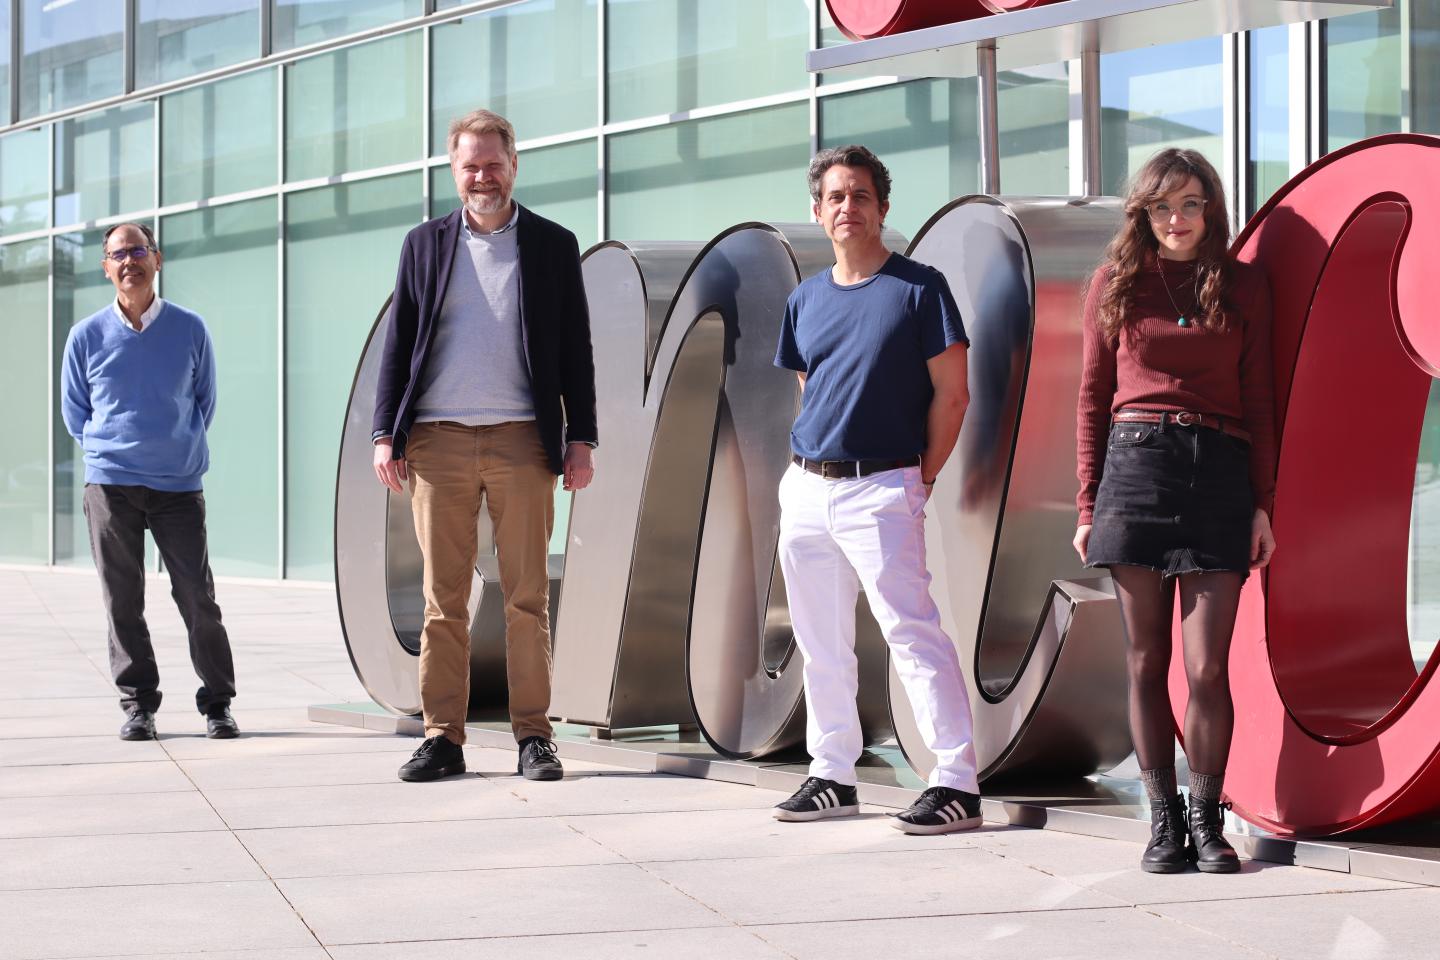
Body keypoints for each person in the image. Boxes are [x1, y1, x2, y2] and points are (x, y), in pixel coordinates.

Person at [372, 109, 598, 783]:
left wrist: (580, 437)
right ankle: (443, 737)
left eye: (493, 164)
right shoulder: (424, 244)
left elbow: (576, 349)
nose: (483, 176)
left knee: (527, 596)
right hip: (436, 441)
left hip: (524, 440)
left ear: (514, 165)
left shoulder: (553, 245)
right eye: (470, 165)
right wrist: (385, 433)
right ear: (454, 171)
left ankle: (535, 736)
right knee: (443, 600)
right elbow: (399, 342)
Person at [1074, 148, 1277, 874]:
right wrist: (1087, 502)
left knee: (1207, 666)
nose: (1176, 219)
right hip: (1136, 470)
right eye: (1162, 206)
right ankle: (1163, 823)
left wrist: (1263, 504)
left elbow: (1260, 400)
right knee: (1144, 660)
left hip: (1219, 472)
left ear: (1210, 209)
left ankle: (1207, 821)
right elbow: (1092, 399)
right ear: (1144, 213)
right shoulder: (1115, 283)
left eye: (1191, 203)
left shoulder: (1243, 285)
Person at [772, 145, 983, 834]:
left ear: (882, 208)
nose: (847, 207)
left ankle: (956, 781)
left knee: (911, 633)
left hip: (884, 486)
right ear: (817, 211)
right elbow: (811, 390)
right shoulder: (804, 299)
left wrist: (919, 478)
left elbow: (953, 396)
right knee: (819, 640)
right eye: (835, 197)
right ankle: (833, 773)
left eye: (860, 195)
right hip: (807, 487)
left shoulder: (920, 290)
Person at [60, 222, 239, 742]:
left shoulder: (189, 328)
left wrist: (174, 448)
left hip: (178, 486)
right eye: (118, 254)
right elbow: (75, 413)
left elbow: (204, 401)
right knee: (122, 600)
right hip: (110, 485)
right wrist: (109, 451)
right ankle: (138, 705)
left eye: (138, 251)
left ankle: (218, 704)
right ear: (106, 267)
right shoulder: (85, 336)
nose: (129, 262)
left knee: (197, 597)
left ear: (157, 260)